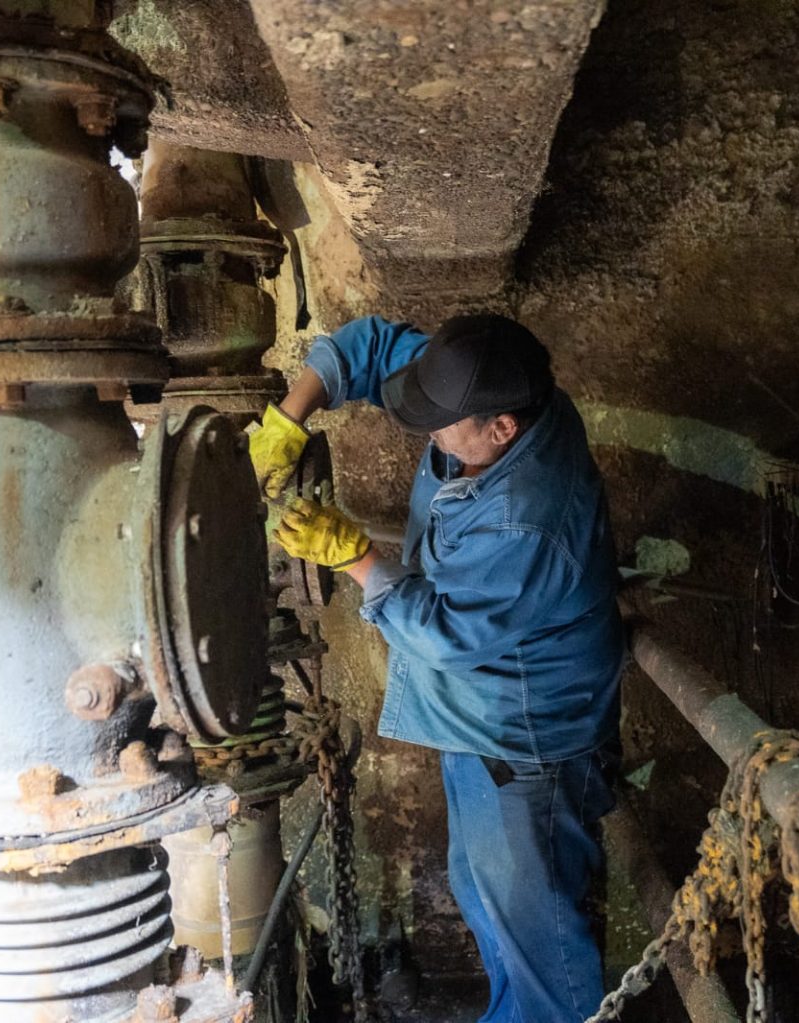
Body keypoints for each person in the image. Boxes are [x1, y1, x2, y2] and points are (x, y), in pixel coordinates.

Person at [250, 313, 624, 1023]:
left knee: (539, 943)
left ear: (502, 430)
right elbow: (367, 348)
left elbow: (451, 633)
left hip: (526, 739)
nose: (429, 433)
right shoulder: (484, 382)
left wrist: (355, 556)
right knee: (488, 902)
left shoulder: (527, 516)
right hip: (478, 724)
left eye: (443, 426)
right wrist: (289, 418)